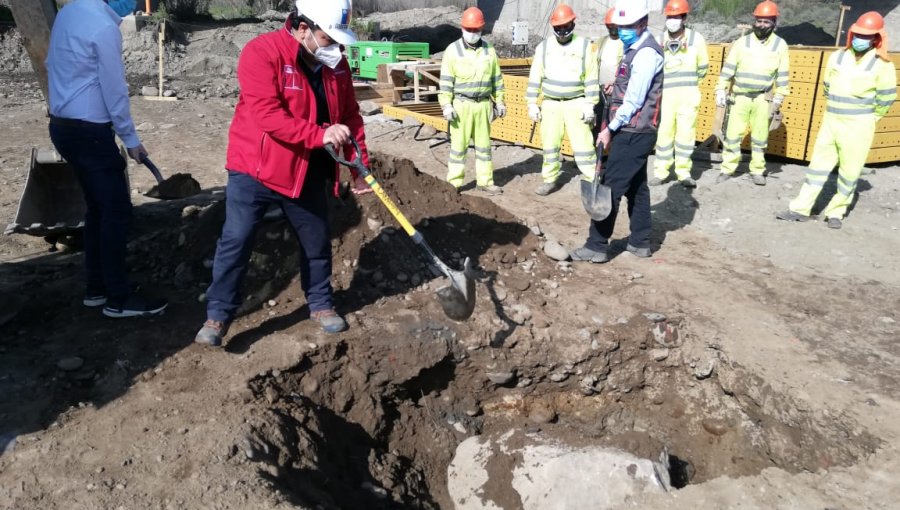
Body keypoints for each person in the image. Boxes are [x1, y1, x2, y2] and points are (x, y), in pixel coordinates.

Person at [195, 0, 369, 346]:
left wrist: (359, 165)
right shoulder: (261, 53)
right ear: (303, 28)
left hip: (307, 168)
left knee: (316, 239)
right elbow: (268, 116)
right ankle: (218, 316)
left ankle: (320, 304)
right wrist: (319, 135)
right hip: (257, 167)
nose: (333, 47)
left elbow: (350, 116)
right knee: (237, 239)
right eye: (327, 38)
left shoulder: (336, 65)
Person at [46, 0, 168, 318]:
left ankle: (97, 288)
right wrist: (130, 139)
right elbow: (114, 89)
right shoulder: (102, 26)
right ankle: (119, 298)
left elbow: (51, 63)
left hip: (63, 127)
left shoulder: (70, 11)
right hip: (90, 134)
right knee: (117, 212)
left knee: (98, 210)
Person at [776, 12, 896, 229]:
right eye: (858, 34)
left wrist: (871, 118)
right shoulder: (837, 57)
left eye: (866, 36)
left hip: (859, 126)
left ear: (876, 38)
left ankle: (836, 212)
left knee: (850, 171)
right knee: (817, 167)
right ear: (852, 34)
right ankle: (800, 209)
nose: (861, 39)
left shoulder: (883, 65)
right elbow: (827, 86)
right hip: (832, 121)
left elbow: (886, 98)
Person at [570, 0, 663, 264]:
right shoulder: (634, 48)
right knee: (637, 187)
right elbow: (631, 87)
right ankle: (640, 242)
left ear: (642, 23)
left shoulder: (646, 54)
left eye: (628, 26)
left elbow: (634, 100)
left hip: (634, 130)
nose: (622, 30)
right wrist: (617, 85)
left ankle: (596, 245)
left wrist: (609, 129)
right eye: (620, 26)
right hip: (637, 129)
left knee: (610, 187)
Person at [526, 4, 599, 196]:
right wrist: (532, 102)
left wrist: (590, 103)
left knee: (583, 144)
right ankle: (550, 179)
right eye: (559, 28)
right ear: (553, 27)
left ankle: (591, 179)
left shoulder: (584, 46)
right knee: (550, 144)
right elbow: (535, 77)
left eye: (566, 26)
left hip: (577, 102)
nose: (563, 31)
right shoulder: (544, 48)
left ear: (573, 24)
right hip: (550, 103)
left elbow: (591, 78)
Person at [715, 0, 789, 186]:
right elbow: (728, 69)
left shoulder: (780, 45)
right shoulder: (742, 42)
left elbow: (783, 74)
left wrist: (779, 96)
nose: (762, 25)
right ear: (754, 21)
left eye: (766, 22)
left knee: (760, 137)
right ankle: (727, 168)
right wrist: (721, 89)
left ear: (774, 23)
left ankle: (757, 170)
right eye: (759, 21)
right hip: (739, 97)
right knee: (732, 135)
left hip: (762, 98)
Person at [438, 7, 506, 195]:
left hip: (484, 105)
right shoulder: (453, 51)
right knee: (458, 148)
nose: (473, 33)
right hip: (462, 106)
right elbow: (445, 82)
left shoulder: (489, 51)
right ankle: (454, 183)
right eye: (469, 29)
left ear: (482, 30)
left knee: (484, 147)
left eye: (476, 30)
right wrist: (446, 105)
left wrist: (500, 101)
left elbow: (497, 79)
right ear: (462, 29)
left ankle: (485, 181)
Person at [650, 0, 708, 188]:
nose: (672, 20)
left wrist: (690, 86)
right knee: (664, 134)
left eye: (676, 16)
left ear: (684, 18)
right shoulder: (659, 39)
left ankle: (683, 173)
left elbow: (703, 68)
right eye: (670, 17)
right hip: (666, 96)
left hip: (688, 95)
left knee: (685, 135)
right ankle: (661, 172)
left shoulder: (695, 39)